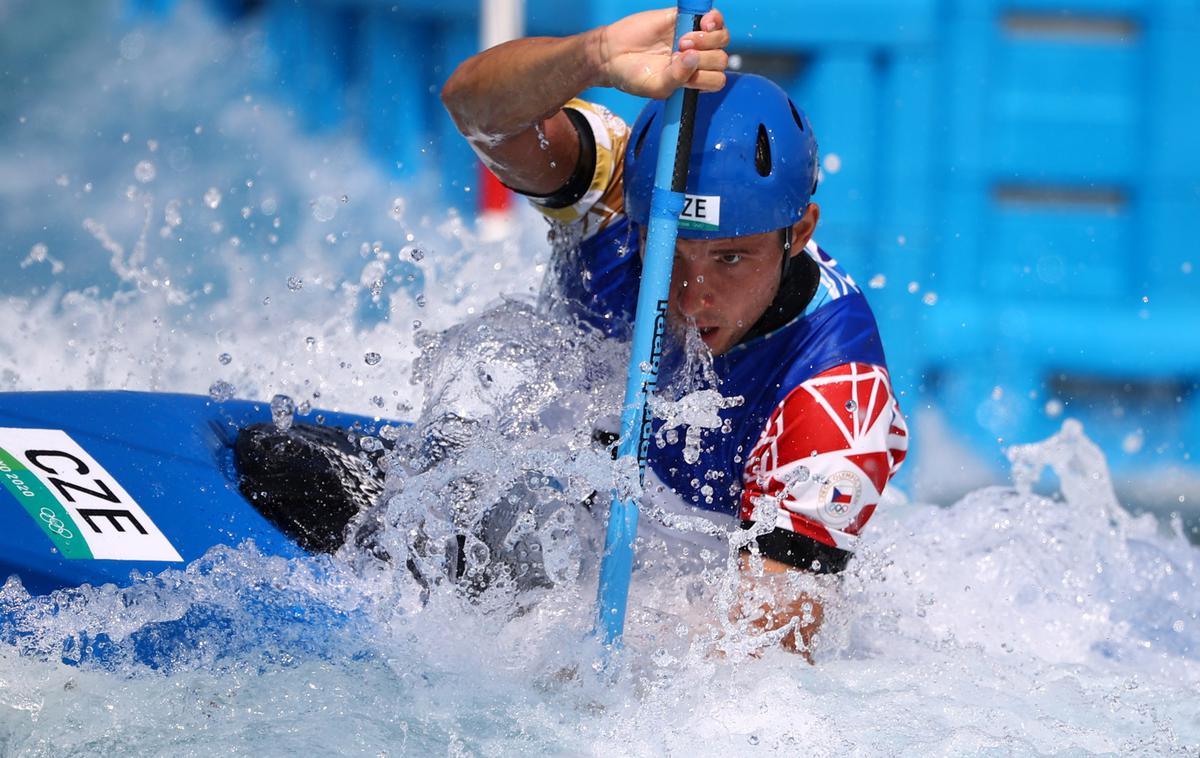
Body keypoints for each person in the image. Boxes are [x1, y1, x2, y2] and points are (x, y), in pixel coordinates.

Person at [441, 6, 908, 655]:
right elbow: (473, 108)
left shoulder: (834, 396)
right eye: (672, 251)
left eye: (731, 259)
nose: (690, 297)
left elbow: (755, 658)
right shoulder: (613, 196)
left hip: (645, 608)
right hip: (506, 514)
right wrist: (595, 55)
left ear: (798, 233)